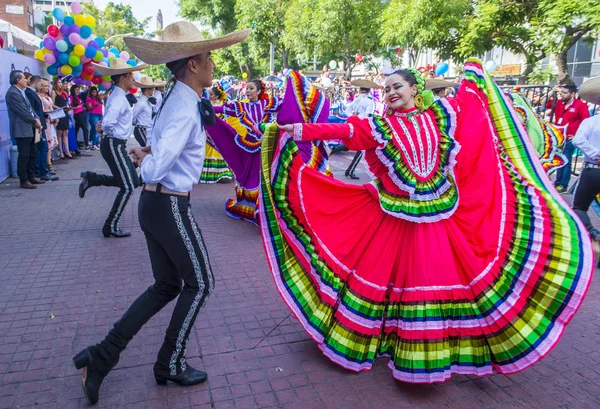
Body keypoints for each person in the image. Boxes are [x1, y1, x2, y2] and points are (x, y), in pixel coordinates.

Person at [267, 60, 593, 383]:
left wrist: (474, 76)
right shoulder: (381, 127)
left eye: (398, 86)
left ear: (413, 89)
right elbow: (345, 130)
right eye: (387, 89)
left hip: (438, 217)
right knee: (390, 278)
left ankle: (427, 350)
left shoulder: (439, 118)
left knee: (429, 279)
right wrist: (299, 130)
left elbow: (471, 105)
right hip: (395, 217)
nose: (392, 92)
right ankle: (386, 339)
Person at [71, 21, 250, 405]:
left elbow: (160, 150)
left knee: (167, 286)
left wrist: (148, 155)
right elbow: (156, 166)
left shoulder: (176, 97)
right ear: (194, 66)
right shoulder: (184, 105)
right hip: (168, 203)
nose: (214, 65)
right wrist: (147, 162)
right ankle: (169, 362)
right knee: (200, 283)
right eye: (209, 59)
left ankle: (102, 356)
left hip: (156, 205)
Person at [78, 58, 147, 238]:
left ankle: (92, 179)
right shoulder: (118, 97)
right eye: (130, 76)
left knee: (131, 181)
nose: (133, 79)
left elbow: (107, 121)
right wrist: (105, 129)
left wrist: (106, 128)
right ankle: (110, 225)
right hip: (113, 144)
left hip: (115, 143)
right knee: (129, 186)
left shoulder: (118, 96)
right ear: (123, 78)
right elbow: (108, 122)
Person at [571, 77, 600, 250]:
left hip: (592, 170)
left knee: (579, 207)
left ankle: (594, 233)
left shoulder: (591, 122)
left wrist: (595, 154)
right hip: (592, 169)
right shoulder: (591, 121)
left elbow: (578, 140)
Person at [5, 70, 44, 189]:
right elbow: (22, 111)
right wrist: (34, 121)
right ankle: (24, 180)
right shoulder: (12, 93)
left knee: (32, 153)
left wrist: (37, 120)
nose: (27, 80)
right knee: (24, 155)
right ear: (18, 80)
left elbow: (31, 109)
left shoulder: (22, 92)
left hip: (30, 128)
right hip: (21, 129)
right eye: (24, 78)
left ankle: (31, 176)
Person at [553, 84, 590, 193]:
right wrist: (552, 91)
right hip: (559, 137)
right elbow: (543, 103)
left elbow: (586, 122)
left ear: (573, 94)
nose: (562, 95)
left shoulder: (581, 105)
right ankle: (557, 182)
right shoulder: (560, 103)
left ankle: (563, 184)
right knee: (559, 159)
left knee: (566, 160)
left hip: (570, 139)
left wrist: (577, 136)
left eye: (564, 93)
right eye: (561, 93)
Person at [24, 74, 59, 182]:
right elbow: (33, 111)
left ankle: (41, 171)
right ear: (37, 82)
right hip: (37, 125)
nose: (43, 87)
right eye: (42, 84)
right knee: (42, 148)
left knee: (43, 148)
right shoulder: (30, 93)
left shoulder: (32, 93)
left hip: (42, 123)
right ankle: (41, 172)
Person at [342, 80, 377, 179]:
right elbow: (368, 115)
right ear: (369, 90)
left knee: (350, 145)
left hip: (353, 124)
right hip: (362, 126)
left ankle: (348, 169)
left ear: (361, 90)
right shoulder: (369, 101)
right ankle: (350, 171)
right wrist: (359, 118)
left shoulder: (357, 99)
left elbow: (347, 111)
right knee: (361, 150)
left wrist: (354, 117)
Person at [200, 84, 233, 183]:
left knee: (215, 151)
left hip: (216, 132)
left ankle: (219, 174)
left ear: (217, 96)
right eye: (209, 94)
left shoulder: (219, 105)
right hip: (210, 132)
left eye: (211, 94)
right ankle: (218, 174)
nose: (209, 96)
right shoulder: (210, 103)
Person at [38, 78, 58, 175]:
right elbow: (42, 112)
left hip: (51, 122)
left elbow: (51, 107)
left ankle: (49, 163)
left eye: (47, 85)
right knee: (46, 145)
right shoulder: (39, 97)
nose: (46, 87)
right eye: (44, 86)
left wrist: (55, 116)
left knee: (50, 145)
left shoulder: (48, 96)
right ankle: (47, 165)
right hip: (45, 122)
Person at [131, 75, 157, 147]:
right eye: (152, 88)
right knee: (147, 148)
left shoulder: (147, 101)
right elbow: (133, 115)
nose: (153, 90)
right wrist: (135, 122)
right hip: (141, 128)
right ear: (147, 89)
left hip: (146, 128)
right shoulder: (141, 102)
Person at [53, 79, 72, 159]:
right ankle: (61, 152)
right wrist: (60, 108)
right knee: (59, 133)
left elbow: (67, 102)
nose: (60, 84)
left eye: (61, 83)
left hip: (65, 113)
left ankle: (67, 151)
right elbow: (52, 104)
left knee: (66, 133)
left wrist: (68, 107)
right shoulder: (54, 92)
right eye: (59, 82)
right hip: (59, 113)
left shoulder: (64, 93)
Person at [70, 84, 90, 150]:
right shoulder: (71, 97)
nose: (77, 91)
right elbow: (70, 106)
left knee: (76, 129)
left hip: (80, 113)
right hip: (77, 114)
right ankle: (86, 145)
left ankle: (75, 144)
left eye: (78, 90)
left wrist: (81, 107)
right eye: (76, 89)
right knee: (85, 129)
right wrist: (77, 107)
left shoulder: (77, 96)